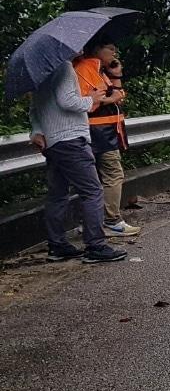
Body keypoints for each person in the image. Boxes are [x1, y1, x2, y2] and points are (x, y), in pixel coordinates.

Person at [29, 59, 128, 263]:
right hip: (71, 139)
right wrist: (91, 99)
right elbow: (68, 101)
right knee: (92, 191)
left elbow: (35, 107)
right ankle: (96, 246)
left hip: (53, 141)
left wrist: (37, 130)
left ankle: (57, 245)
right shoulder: (64, 66)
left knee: (57, 194)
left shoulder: (42, 69)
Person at [73, 41, 140, 237]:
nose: (114, 52)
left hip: (108, 131)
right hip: (99, 133)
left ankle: (91, 222)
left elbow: (117, 95)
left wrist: (116, 75)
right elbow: (90, 102)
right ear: (97, 50)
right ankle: (111, 220)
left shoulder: (99, 69)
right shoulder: (86, 68)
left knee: (96, 179)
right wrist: (109, 99)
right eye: (110, 49)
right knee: (112, 175)